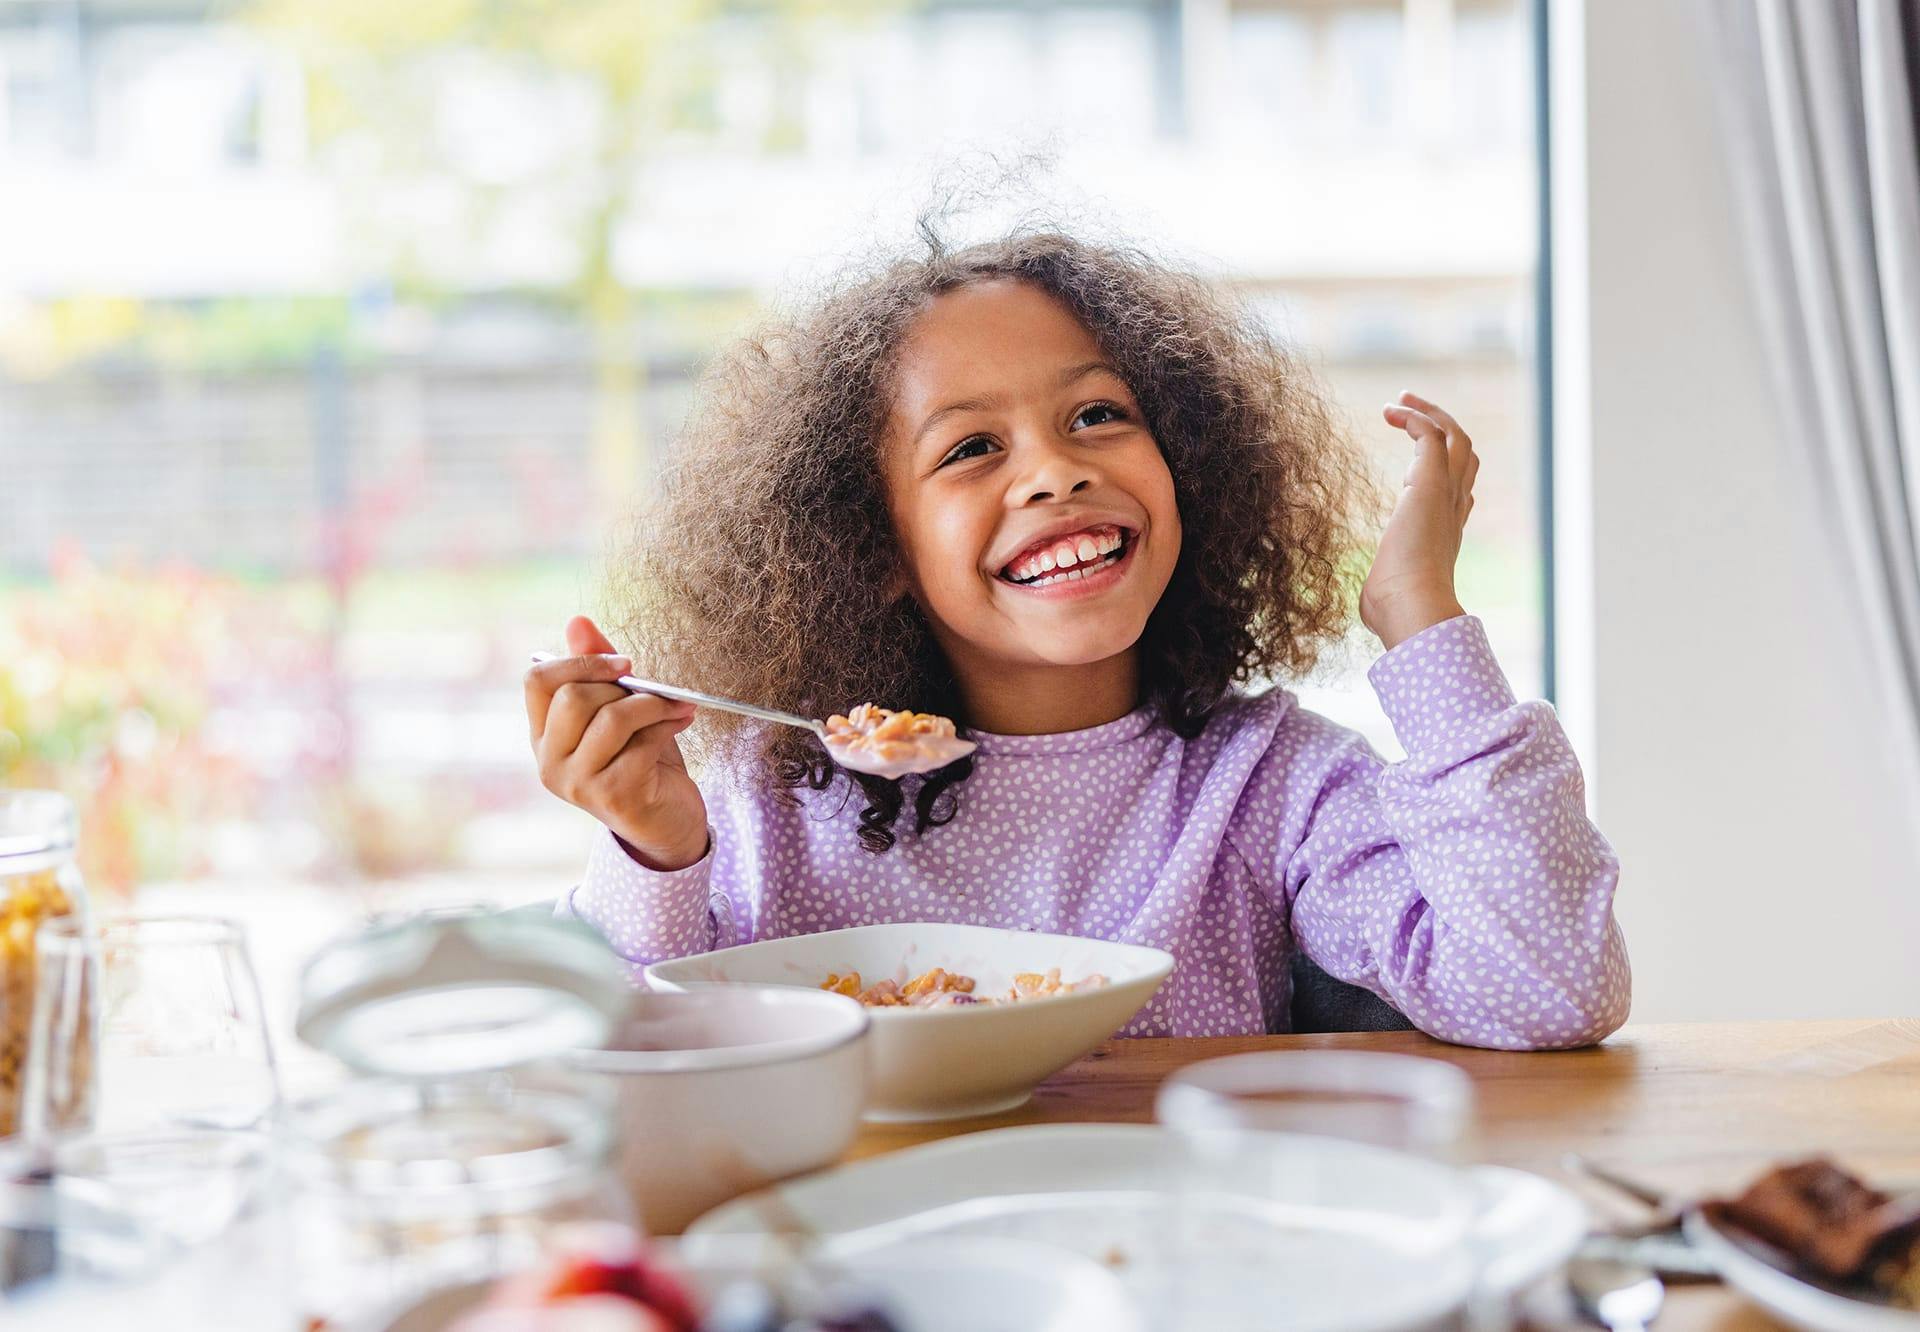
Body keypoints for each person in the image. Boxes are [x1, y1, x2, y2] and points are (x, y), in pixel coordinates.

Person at [523, 228, 1629, 1048]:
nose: (1056, 469)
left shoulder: (1269, 787)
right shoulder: (764, 795)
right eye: (969, 450)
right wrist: (655, 847)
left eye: (1098, 415)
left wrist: (1419, 616)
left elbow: (1547, 988)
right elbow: (629, 1052)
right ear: (874, 552)